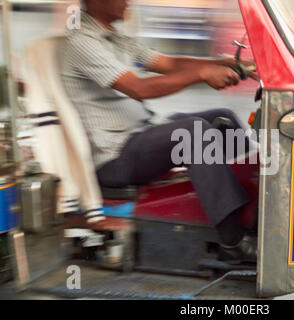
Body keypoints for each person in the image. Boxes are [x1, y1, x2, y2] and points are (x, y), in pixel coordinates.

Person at [62, 0, 257, 262]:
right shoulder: (82, 43)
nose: (127, 1)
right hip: (114, 156)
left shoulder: (115, 38)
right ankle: (232, 241)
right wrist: (202, 73)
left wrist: (220, 63)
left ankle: (254, 214)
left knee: (222, 118)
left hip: (140, 134)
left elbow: (167, 62)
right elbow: (139, 88)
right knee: (193, 134)